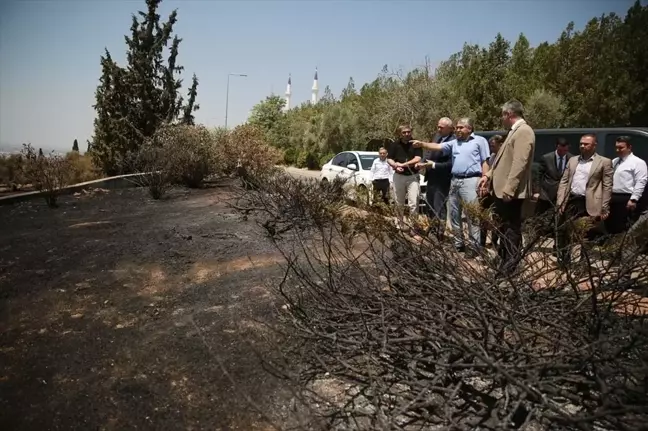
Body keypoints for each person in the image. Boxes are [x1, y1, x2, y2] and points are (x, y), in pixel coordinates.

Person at [413, 117, 490, 257]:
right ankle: (458, 243)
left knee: (472, 214)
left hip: (471, 180)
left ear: (469, 128)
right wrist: (422, 144)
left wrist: (485, 178)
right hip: (455, 180)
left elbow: (485, 161)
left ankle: (474, 246)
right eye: (457, 127)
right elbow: (438, 147)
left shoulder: (480, 141)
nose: (458, 130)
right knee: (454, 214)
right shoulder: (454, 143)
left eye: (461, 127)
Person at [478, 100, 535, 275]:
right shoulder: (513, 132)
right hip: (501, 190)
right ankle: (504, 260)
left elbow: (520, 163)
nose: (501, 118)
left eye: (502, 115)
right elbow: (503, 161)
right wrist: (488, 175)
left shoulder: (524, 132)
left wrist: (510, 189)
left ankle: (510, 266)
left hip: (510, 193)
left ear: (509, 114)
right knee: (503, 227)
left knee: (511, 229)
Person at [555, 134, 613, 268]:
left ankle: (583, 263)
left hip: (590, 203)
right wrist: (560, 201)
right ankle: (564, 261)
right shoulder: (573, 160)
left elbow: (607, 186)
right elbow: (564, 182)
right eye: (581, 143)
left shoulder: (604, 162)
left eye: (586, 144)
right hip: (572, 201)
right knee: (565, 231)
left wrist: (604, 207)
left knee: (587, 235)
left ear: (594, 145)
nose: (582, 146)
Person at [415, 117, 454, 240]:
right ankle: (432, 229)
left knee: (439, 207)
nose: (438, 129)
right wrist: (422, 163)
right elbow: (428, 153)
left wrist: (433, 165)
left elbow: (450, 163)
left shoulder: (453, 141)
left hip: (442, 179)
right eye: (438, 126)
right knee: (430, 205)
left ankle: (439, 233)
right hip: (431, 177)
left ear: (449, 128)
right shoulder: (437, 137)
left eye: (441, 128)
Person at [606, 136, 648, 234]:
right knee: (611, 227)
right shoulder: (614, 161)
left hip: (626, 199)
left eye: (621, 148)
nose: (617, 150)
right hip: (612, 198)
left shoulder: (637, 162)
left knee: (624, 228)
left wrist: (634, 199)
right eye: (616, 147)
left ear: (629, 148)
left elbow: (641, 182)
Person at [387, 124, 422, 231]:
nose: (407, 134)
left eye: (408, 132)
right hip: (399, 176)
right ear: (400, 134)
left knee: (414, 202)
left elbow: (418, 158)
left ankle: (413, 227)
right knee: (398, 202)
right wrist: (395, 166)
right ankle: (399, 225)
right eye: (404, 132)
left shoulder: (416, 144)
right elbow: (389, 159)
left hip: (413, 176)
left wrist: (403, 164)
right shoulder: (394, 145)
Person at [479, 134, 505, 248]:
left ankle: (495, 241)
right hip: (488, 192)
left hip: (499, 192)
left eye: (493, 146)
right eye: (490, 146)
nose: (491, 149)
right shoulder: (491, 158)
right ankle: (482, 242)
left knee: (497, 219)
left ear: (501, 145)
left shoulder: (505, 158)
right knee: (483, 217)